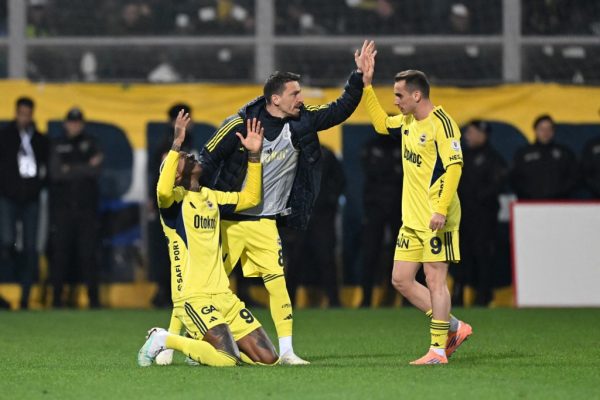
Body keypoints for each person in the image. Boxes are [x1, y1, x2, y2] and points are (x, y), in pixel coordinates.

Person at [196, 41, 374, 364]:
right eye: (295, 93)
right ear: (275, 99)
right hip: (229, 222)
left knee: (278, 285)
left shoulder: (301, 122)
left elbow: (340, 108)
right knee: (206, 287)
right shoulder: (239, 125)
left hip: (265, 223)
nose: (301, 99)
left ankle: (288, 351)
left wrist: (358, 76)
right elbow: (207, 159)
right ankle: (187, 344)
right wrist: (197, 201)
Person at [138, 112, 278, 367]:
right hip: (194, 297)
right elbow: (162, 189)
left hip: (223, 295)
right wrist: (176, 144)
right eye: (183, 158)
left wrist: (254, 156)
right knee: (227, 360)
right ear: (175, 175)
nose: (190, 156)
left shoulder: (211, 197)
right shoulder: (173, 203)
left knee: (268, 360)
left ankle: (200, 350)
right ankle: (164, 339)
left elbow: (251, 198)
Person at [360, 49, 472, 364]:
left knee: (435, 280)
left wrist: (440, 209)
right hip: (411, 219)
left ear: (417, 95)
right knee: (401, 279)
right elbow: (381, 124)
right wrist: (366, 85)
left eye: (399, 95)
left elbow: (454, 168)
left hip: (437, 218)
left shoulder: (443, 124)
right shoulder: (408, 120)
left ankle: (437, 350)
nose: (395, 101)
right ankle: (454, 327)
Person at [48, 107, 103, 308]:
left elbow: (96, 171)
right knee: (60, 255)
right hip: (63, 209)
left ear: (82, 124)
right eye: (71, 122)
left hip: (87, 210)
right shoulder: (57, 144)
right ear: (65, 124)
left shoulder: (92, 142)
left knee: (88, 255)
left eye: (78, 122)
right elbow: (56, 173)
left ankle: (94, 300)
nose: (74, 126)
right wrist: (85, 166)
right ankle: (56, 299)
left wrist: (69, 168)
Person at [0, 97, 48, 310]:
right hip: (8, 198)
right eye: (21, 114)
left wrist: (38, 187)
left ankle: (25, 297)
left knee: (30, 247)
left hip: (31, 200)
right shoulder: (4, 136)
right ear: (16, 113)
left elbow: (47, 167)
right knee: (7, 241)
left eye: (27, 114)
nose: (24, 118)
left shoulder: (39, 140)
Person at [454, 120, 507, 306]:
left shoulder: (493, 158)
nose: (467, 136)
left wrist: (476, 198)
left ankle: (483, 295)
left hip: (484, 216)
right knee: (460, 255)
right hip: (462, 215)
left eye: (471, 132)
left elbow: (497, 184)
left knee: (482, 254)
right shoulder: (461, 156)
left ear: (482, 135)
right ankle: (458, 295)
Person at [148, 103, 195, 308]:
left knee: (177, 250)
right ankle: (165, 293)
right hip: (172, 202)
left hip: (185, 202)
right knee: (170, 250)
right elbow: (160, 175)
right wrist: (154, 200)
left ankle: (172, 293)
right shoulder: (168, 144)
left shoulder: (189, 141)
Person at [360, 134, 403, 307]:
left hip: (398, 207)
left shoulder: (403, 144)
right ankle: (366, 298)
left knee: (402, 254)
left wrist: (386, 170)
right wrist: (392, 169)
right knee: (370, 253)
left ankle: (401, 298)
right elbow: (372, 171)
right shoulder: (371, 146)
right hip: (375, 207)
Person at [511, 115, 577, 199]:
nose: (545, 132)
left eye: (549, 129)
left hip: (559, 203)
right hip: (530, 203)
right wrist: (527, 195)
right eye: (542, 129)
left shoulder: (564, 153)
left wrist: (561, 194)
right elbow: (514, 178)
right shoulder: (523, 154)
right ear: (535, 130)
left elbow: (574, 177)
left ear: (553, 131)